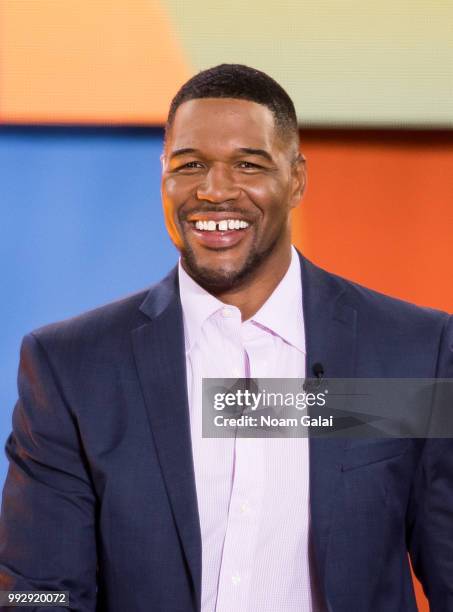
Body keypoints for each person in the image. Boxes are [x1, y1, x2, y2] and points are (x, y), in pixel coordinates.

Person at [0, 64, 452, 612]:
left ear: (297, 180)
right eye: (190, 165)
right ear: (163, 176)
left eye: (247, 164)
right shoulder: (71, 367)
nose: (215, 191)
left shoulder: (410, 352)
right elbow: (36, 594)